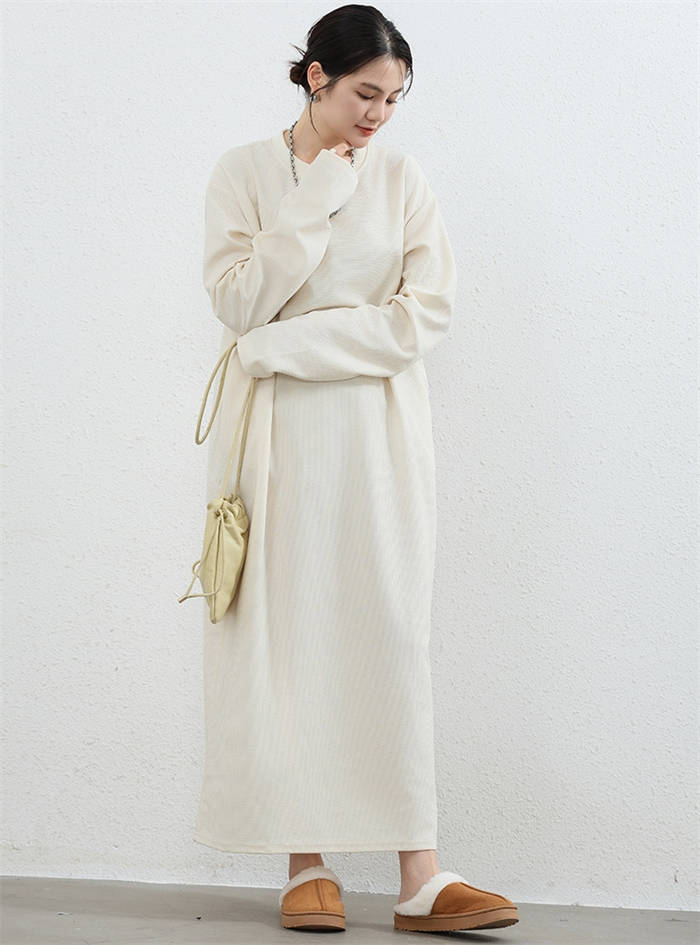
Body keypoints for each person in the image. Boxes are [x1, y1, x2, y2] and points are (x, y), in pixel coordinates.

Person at [193, 3, 519, 934]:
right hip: (277, 440)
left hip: (378, 432)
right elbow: (239, 304)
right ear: (315, 77)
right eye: (364, 93)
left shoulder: (404, 179)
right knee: (294, 635)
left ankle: (420, 872)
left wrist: (287, 345)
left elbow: (423, 317)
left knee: (389, 633)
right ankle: (306, 863)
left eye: (393, 98)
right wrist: (317, 198)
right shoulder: (244, 173)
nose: (378, 114)